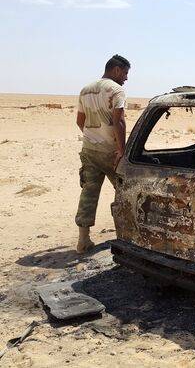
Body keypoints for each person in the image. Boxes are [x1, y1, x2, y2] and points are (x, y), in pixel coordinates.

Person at [74, 54, 130, 253]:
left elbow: (80, 121)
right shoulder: (116, 90)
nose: (126, 78)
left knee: (88, 193)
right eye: (125, 73)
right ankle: (126, 235)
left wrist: (92, 137)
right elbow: (119, 121)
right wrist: (122, 152)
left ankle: (83, 240)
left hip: (89, 150)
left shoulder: (85, 89)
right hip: (111, 152)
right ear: (116, 70)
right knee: (125, 193)